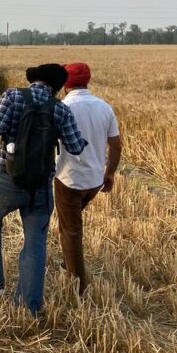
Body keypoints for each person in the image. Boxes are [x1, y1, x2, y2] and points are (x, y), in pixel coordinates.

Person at [0, 63, 87, 315]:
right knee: (35, 242)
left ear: (33, 79)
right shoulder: (60, 108)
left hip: (9, 178)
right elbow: (76, 146)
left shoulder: (14, 96)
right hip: (40, 186)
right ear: (56, 86)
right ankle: (29, 307)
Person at [54, 62, 122, 295]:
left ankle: (78, 284)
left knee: (70, 230)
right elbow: (116, 145)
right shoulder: (104, 107)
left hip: (69, 179)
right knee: (69, 224)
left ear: (65, 84)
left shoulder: (63, 107)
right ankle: (67, 262)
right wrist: (109, 173)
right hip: (94, 181)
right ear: (87, 81)